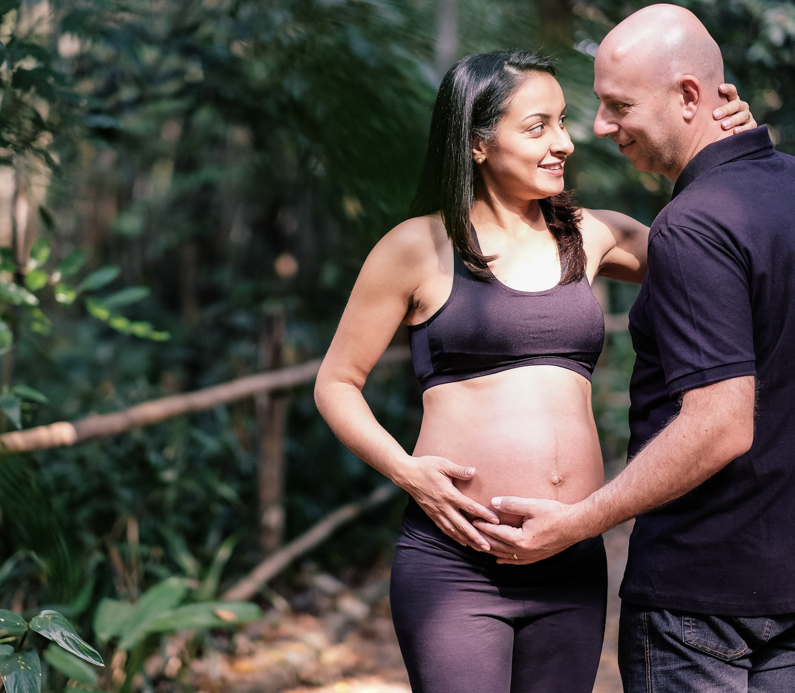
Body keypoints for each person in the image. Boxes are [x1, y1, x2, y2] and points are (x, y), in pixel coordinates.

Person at [313, 45, 754, 692]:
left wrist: (721, 148)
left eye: (564, 121)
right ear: (477, 144)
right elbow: (336, 382)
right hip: (456, 563)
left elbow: (718, 255)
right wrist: (408, 472)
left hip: (569, 560)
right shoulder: (417, 246)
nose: (566, 142)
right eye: (538, 125)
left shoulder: (591, 233)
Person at [476, 6, 795, 692]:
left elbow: (719, 423)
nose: (598, 127)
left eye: (618, 105)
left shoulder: (692, 225)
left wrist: (574, 524)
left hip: (699, 604)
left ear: (688, 97)